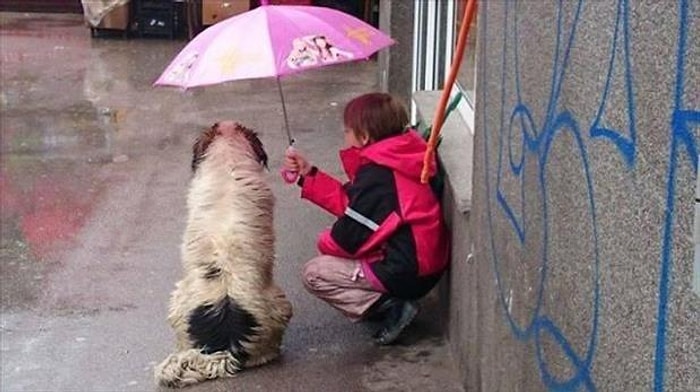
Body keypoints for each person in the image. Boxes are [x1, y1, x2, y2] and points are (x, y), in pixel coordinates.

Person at [284, 92, 449, 345]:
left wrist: (325, 241)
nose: (344, 135)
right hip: (424, 262)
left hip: (409, 270)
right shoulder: (400, 156)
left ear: (364, 136)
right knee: (337, 252)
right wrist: (309, 175)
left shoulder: (379, 174)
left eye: (347, 130)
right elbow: (354, 204)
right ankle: (387, 300)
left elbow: (347, 239)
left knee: (315, 273)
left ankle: (391, 306)